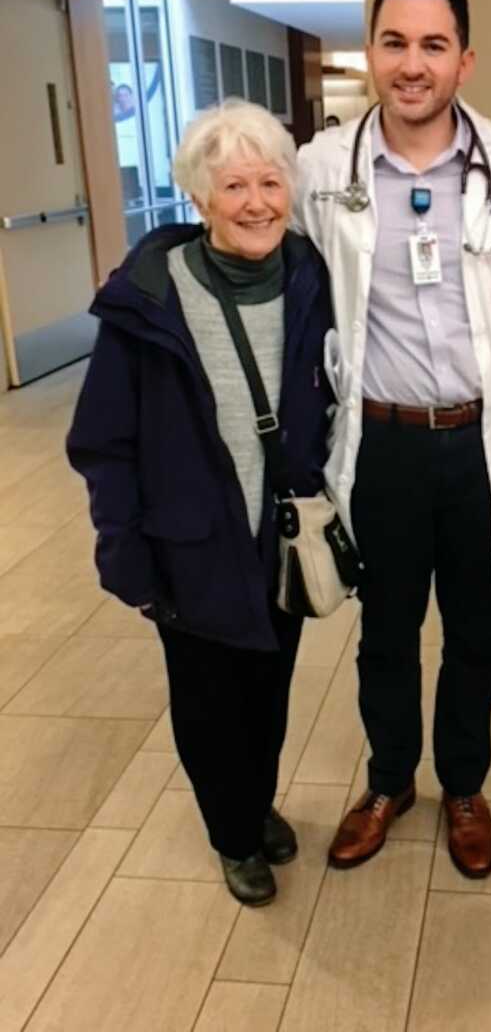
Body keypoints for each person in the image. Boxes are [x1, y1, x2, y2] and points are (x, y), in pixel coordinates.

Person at [296, 0, 491, 877]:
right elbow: (268, 268)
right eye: (395, 42)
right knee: (387, 633)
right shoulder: (321, 170)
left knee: (479, 634)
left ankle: (466, 785)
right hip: (383, 443)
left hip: (483, 446)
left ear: (464, 59)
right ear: (372, 53)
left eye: (433, 45)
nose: (412, 64)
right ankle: (391, 779)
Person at [67, 99, 332, 907]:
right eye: (233, 186)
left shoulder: (309, 274)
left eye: (269, 180)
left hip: (277, 536)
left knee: (270, 687)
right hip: (186, 541)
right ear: (199, 198)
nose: (256, 202)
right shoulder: (150, 298)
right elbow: (102, 440)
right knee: (210, 701)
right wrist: (126, 553)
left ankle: (254, 802)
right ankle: (232, 833)